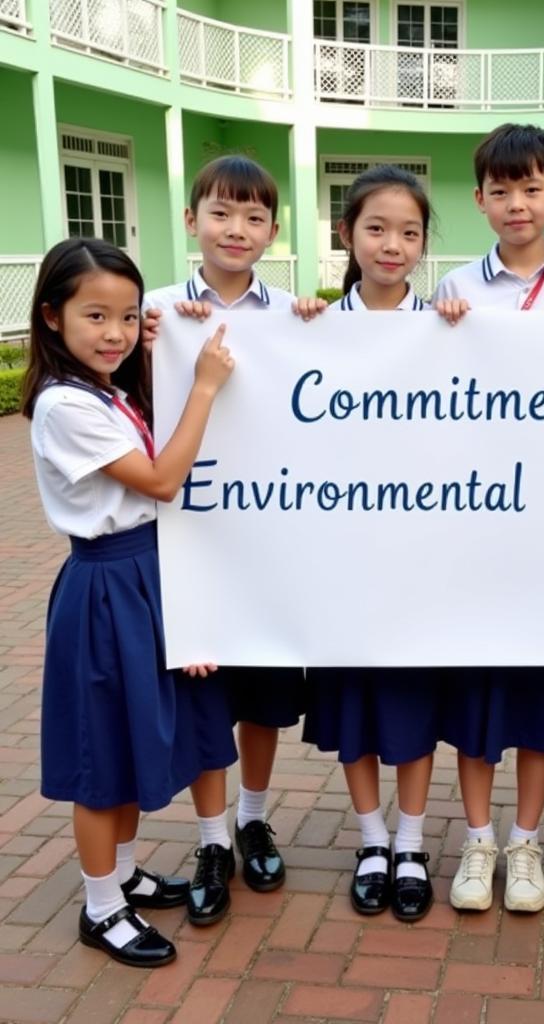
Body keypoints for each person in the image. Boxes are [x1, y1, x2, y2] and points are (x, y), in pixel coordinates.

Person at [22, 237, 236, 966]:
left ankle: (122, 872)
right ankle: (101, 906)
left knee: (136, 733)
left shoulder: (107, 387)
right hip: (107, 583)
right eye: (94, 317)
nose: (112, 334)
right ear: (51, 317)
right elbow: (160, 480)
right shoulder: (62, 406)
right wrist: (204, 385)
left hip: (148, 573)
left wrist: (154, 351)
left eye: (124, 316)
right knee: (103, 755)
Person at [431, 123, 544, 914]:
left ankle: (525, 841)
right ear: (479, 201)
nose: (516, 204)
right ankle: (475, 839)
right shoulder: (455, 289)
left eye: (532, 188)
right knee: (473, 689)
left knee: (535, 689)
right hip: (471, 529)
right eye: (500, 191)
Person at [145, 155, 300, 924]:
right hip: (193, 535)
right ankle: (210, 840)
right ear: (191, 219)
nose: (235, 230)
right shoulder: (156, 312)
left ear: (274, 231)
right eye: (220, 213)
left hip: (272, 537)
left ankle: (253, 816)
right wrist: (143, 349)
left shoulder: (297, 316)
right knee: (206, 693)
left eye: (253, 217)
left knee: (264, 695)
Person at [299, 165, 437, 921]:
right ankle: (370, 837)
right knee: (353, 701)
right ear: (346, 234)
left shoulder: (449, 329)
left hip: (422, 558)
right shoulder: (306, 329)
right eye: (376, 228)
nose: (393, 245)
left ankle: (412, 841)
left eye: (410, 232)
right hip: (339, 559)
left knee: (415, 699)